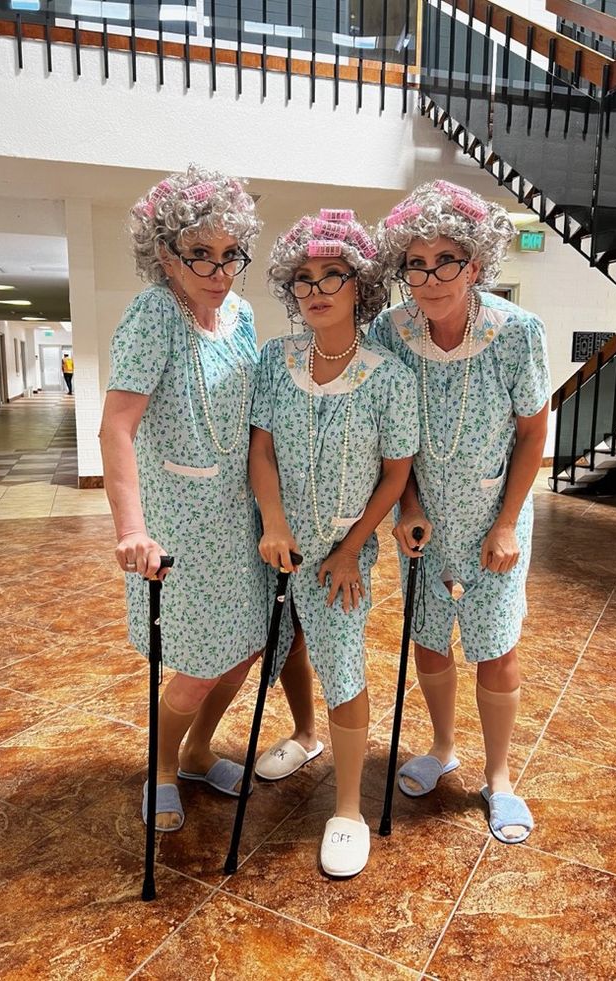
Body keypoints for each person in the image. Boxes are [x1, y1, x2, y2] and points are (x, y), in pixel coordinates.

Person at [371, 180, 550, 844]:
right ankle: (443, 745)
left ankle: (499, 776)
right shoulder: (390, 333)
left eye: (447, 260)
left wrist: (507, 522)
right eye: (416, 263)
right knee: (427, 636)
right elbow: (391, 438)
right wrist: (407, 506)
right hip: (421, 519)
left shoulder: (516, 333)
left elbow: (534, 431)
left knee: (497, 649)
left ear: (476, 264)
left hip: (495, 519)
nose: (429, 276)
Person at [249, 210, 419, 876]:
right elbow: (261, 450)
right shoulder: (275, 359)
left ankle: (347, 806)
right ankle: (302, 733)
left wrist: (350, 547)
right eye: (303, 279)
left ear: (361, 286)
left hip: (343, 554)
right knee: (286, 637)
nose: (315, 289)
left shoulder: (390, 378)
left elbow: (397, 473)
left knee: (342, 666)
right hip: (275, 541)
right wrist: (272, 520)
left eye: (332, 276)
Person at [99, 165, 268, 832]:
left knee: (246, 646)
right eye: (199, 252)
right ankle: (162, 763)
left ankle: (199, 750)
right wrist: (131, 529)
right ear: (164, 252)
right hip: (178, 525)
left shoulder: (245, 315)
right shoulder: (153, 316)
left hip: (240, 516)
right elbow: (117, 425)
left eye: (230, 254)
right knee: (196, 664)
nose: (217, 270)